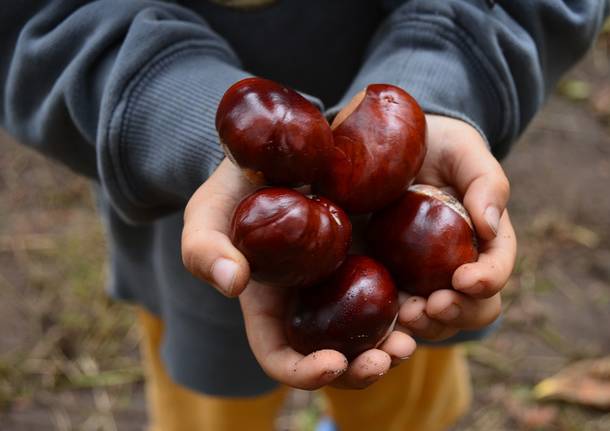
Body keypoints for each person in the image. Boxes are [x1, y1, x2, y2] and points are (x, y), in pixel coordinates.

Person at [1, 1, 607, 430]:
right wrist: (164, 105)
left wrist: (448, 72)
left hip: (399, 273)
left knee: (401, 397)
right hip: (188, 241)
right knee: (211, 408)